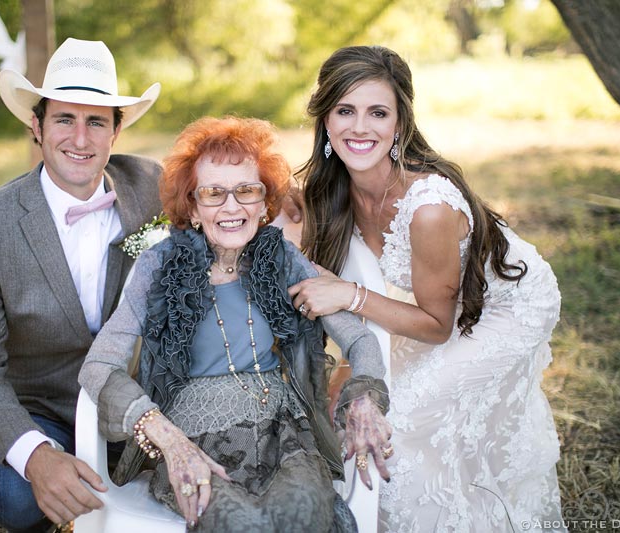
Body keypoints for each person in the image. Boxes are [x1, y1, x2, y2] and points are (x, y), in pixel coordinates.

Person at [288, 45, 565, 532]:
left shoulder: (429, 206)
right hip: (434, 305)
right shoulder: (331, 190)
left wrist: (349, 295)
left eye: (378, 112)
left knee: (404, 421)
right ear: (325, 120)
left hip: (506, 308)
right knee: (352, 413)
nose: (360, 127)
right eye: (345, 111)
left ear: (400, 124)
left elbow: (438, 327)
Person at [79, 116, 393, 532]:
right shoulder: (159, 267)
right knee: (240, 525)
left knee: (303, 512)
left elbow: (359, 340)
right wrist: (169, 441)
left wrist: (365, 401)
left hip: (284, 438)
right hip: (193, 442)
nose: (231, 207)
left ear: (265, 204)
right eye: (213, 193)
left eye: (246, 190)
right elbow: (98, 367)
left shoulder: (280, 259)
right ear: (192, 206)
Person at [0, 38, 163, 532]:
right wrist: (37, 456)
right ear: (36, 126)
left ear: (116, 131)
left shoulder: (153, 187)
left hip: (129, 399)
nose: (81, 139)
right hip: (37, 408)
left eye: (97, 121)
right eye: (65, 118)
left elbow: (229, 198)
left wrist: (287, 206)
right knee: (20, 497)